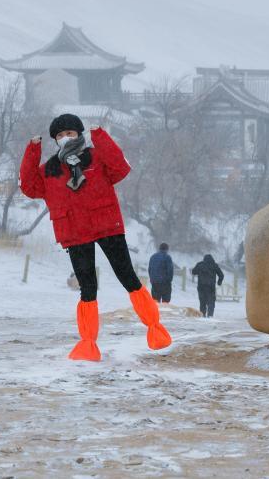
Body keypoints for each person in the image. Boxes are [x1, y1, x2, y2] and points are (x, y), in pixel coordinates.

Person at [19, 113, 171, 361]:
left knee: (128, 277)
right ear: (54, 140)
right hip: (74, 231)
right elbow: (28, 186)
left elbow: (121, 168)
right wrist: (32, 150)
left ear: (79, 134)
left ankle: (156, 329)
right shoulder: (50, 170)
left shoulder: (97, 157)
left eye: (69, 133)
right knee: (87, 288)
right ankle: (88, 344)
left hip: (106, 225)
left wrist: (100, 136)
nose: (65, 138)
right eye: (59, 135)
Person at [191, 254, 224, 318]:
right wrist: (219, 282)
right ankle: (210, 316)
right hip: (210, 287)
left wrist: (199, 271)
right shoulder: (214, 265)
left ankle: (202, 316)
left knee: (202, 302)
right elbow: (221, 275)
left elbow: (193, 272)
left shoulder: (200, 264)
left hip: (201, 287)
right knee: (211, 302)